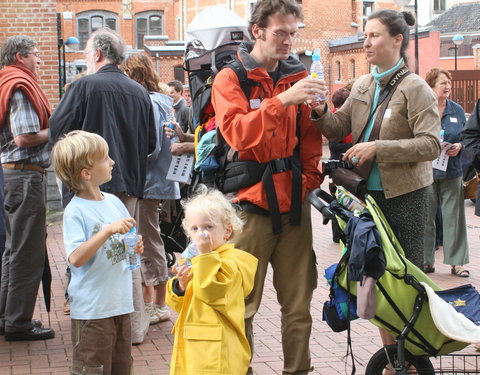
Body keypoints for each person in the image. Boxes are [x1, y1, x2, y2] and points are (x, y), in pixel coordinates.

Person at [310, 9, 441, 355]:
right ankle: (393, 355)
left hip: (406, 197)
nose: (365, 42)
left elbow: (431, 145)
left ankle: (412, 354)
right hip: (367, 198)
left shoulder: (416, 88)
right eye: (365, 35)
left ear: (397, 40)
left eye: (374, 35)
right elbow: (337, 127)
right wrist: (319, 110)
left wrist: (377, 148)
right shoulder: (364, 84)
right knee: (377, 277)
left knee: (406, 278)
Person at [211, 1, 324, 373]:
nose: (289, 40)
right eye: (281, 32)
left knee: (298, 306)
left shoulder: (297, 73)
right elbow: (239, 134)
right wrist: (282, 100)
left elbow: (309, 139)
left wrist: (308, 181)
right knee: (241, 305)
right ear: (257, 31)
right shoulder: (231, 78)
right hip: (249, 207)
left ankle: (297, 370)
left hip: (293, 205)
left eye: (294, 32)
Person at [49, 27, 155, 345]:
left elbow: (58, 129)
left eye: (85, 53)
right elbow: (151, 142)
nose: (84, 58)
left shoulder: (84, 86)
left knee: (90, 252)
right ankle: (133, 327)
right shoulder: (139, 92)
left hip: (87, 186)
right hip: (131, 184)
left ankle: (96, 329)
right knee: (129, 257)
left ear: (96, 54)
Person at [52, 130, 143, 375]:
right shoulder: (76, 211)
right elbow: (76, 259)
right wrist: (106, 232)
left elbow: (124, 241)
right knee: (93, 368)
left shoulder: (113, 201)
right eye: (105, 158)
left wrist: (133, 244)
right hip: (93, 311)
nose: (112, 162)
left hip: (120, 304)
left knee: (122, 366)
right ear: (86, 173)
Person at [166, 186, 257, 375]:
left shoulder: (233, 261)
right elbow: (178, 304)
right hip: (192, 348)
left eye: (208, 227)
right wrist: (180, 286)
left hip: (218, 352)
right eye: (195, 228)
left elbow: (213, 293)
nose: (201, 234)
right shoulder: (194, 259)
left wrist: (206, 256)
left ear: (227, 231)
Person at [0, 35, 54, 341]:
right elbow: (24, 137)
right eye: (35, 54)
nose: (39, 60)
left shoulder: (9, 80)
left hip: (14, 176)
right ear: (20, 56)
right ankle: (19, 323)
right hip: (25, 175)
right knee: (26, 253)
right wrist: (57, 125)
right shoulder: (20, 85)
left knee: (13, 250)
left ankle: (7, 316)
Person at [121, 53, 181, 324]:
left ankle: (159, 303)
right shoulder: (159, 101)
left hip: (149, 179)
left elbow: (153, 146)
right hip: (153, 179)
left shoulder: (152, 102)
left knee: (148, 236)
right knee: (147, 235)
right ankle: (154, 300)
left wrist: (131, 165)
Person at [423, 67, 469, 277]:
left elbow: (468, 137)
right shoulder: (423, 109)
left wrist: (459, 147)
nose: (447, 87)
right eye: (443, 83)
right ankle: (426, 261)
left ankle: (457, 263)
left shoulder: (457, 110)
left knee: (454, 217)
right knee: (426, 217)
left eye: (449, 83)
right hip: (426, 172)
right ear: (431, 86)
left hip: (452, 171)